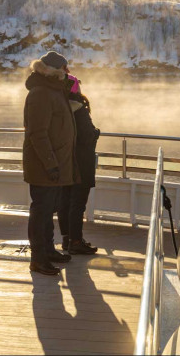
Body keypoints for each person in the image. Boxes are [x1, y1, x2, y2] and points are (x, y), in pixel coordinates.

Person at [23, 50, 77, 275]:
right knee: (41, 212)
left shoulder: (54, 91)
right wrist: (51, 164)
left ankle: (48, 250)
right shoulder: (41, 94)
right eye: (65, 69)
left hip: (55, 165)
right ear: (55, 71)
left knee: (48, 212)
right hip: (45, 166)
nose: (68, 73)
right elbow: (37, 133)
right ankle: (38, 258)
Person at [57, 72, 100, 255]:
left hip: (65, 161)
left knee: (64, 201)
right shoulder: (79, 110)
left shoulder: (59, 107)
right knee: (78, 203)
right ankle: (75, 241)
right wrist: (96, 132)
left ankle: (67, 239)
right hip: (81, 162)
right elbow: (87, 136)